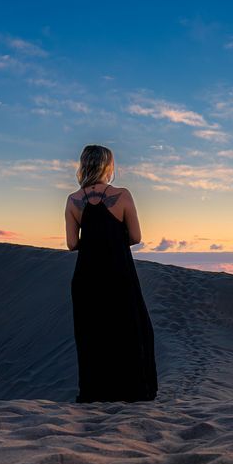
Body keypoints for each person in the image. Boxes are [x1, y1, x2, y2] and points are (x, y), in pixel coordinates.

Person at [65, 144, 157, 403]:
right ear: (108, 166)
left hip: (87, 275)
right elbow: (136, 236)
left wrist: (93, 241)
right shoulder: (123, 195)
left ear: (84, 165)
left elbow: (72, 243)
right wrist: (112, 241)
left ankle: (96, 393)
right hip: (119, 272)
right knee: (128, 329)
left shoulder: (73, 200)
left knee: (92, 333)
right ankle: (132, 391)